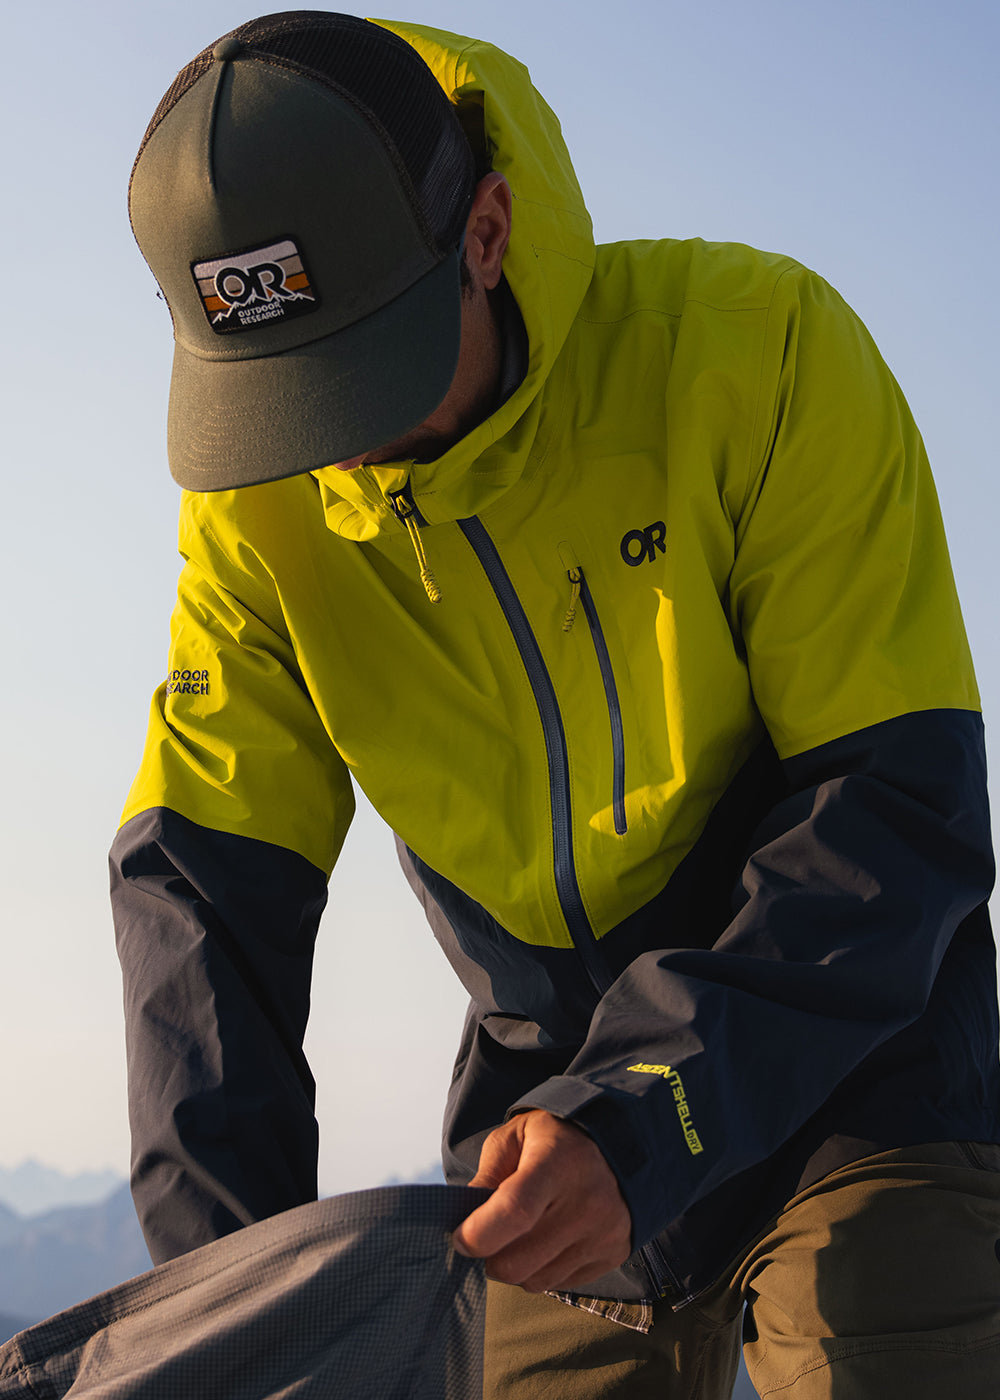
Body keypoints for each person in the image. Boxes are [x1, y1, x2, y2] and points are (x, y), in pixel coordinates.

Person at [112, 11, 1000, 1397]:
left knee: (883, 1332)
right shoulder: (258, 521)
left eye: (367, 367)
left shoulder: (759, 353)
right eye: (287, 396)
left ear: (486, 231)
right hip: (544, 1128)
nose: (331, 442)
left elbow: (896, 812)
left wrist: (650, 1110)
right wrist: (234, 1315)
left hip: (852, 1069)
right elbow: (202, 917)